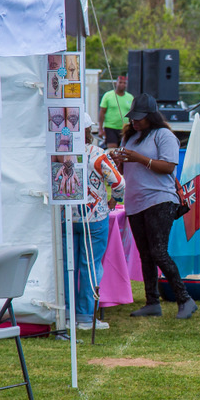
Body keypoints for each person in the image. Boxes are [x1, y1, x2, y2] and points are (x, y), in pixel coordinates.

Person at [114, 93, 198, 319]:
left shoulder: (164, 135)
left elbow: (169, 167)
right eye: (133, 117)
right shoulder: (129, 137)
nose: (134, 121)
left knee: (158, 252)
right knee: (145, 255)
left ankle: (185, 299)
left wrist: (139, 158)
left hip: (160, 200)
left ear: (151, 116)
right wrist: (119, 161)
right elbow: (125, 171)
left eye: (139, 117)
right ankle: (152, 302)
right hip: (135, 203)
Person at [64, 113, 125, 330]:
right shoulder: (97, 154)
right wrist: (114, 200)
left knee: (66, 267)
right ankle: (85, 316)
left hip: (66, 217)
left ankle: (66, 314)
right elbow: (119, 183)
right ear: (89, 131)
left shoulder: (59, 154)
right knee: (90, 266)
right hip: (94, 217)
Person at [99, 75, 134, 149]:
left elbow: (133, 114)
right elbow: (102, 112)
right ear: (116, 83)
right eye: (120, 82)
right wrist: (100, 129)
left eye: (124, 83)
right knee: (112, 150)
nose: (122, 84)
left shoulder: (130, 97)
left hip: (125, 128)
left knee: (124, 149)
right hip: (111, 127)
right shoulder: (108, 95)